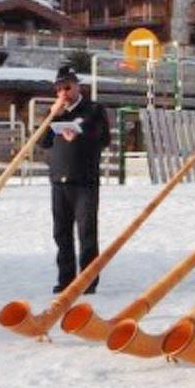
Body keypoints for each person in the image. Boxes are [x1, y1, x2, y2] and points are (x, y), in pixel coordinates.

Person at [46, 64, 111, 292]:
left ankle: (87, 281)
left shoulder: (93, 109)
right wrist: (54, 116)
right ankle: (65, 280)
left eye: (67, 87)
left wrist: (80, 136)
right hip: (59, 180)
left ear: (77, 86)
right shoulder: (54, 111)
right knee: (61, 233)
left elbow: (104, 139)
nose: (63, 92)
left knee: (86, 232)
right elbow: (43, 142)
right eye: (59, 88)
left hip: (84, 180)